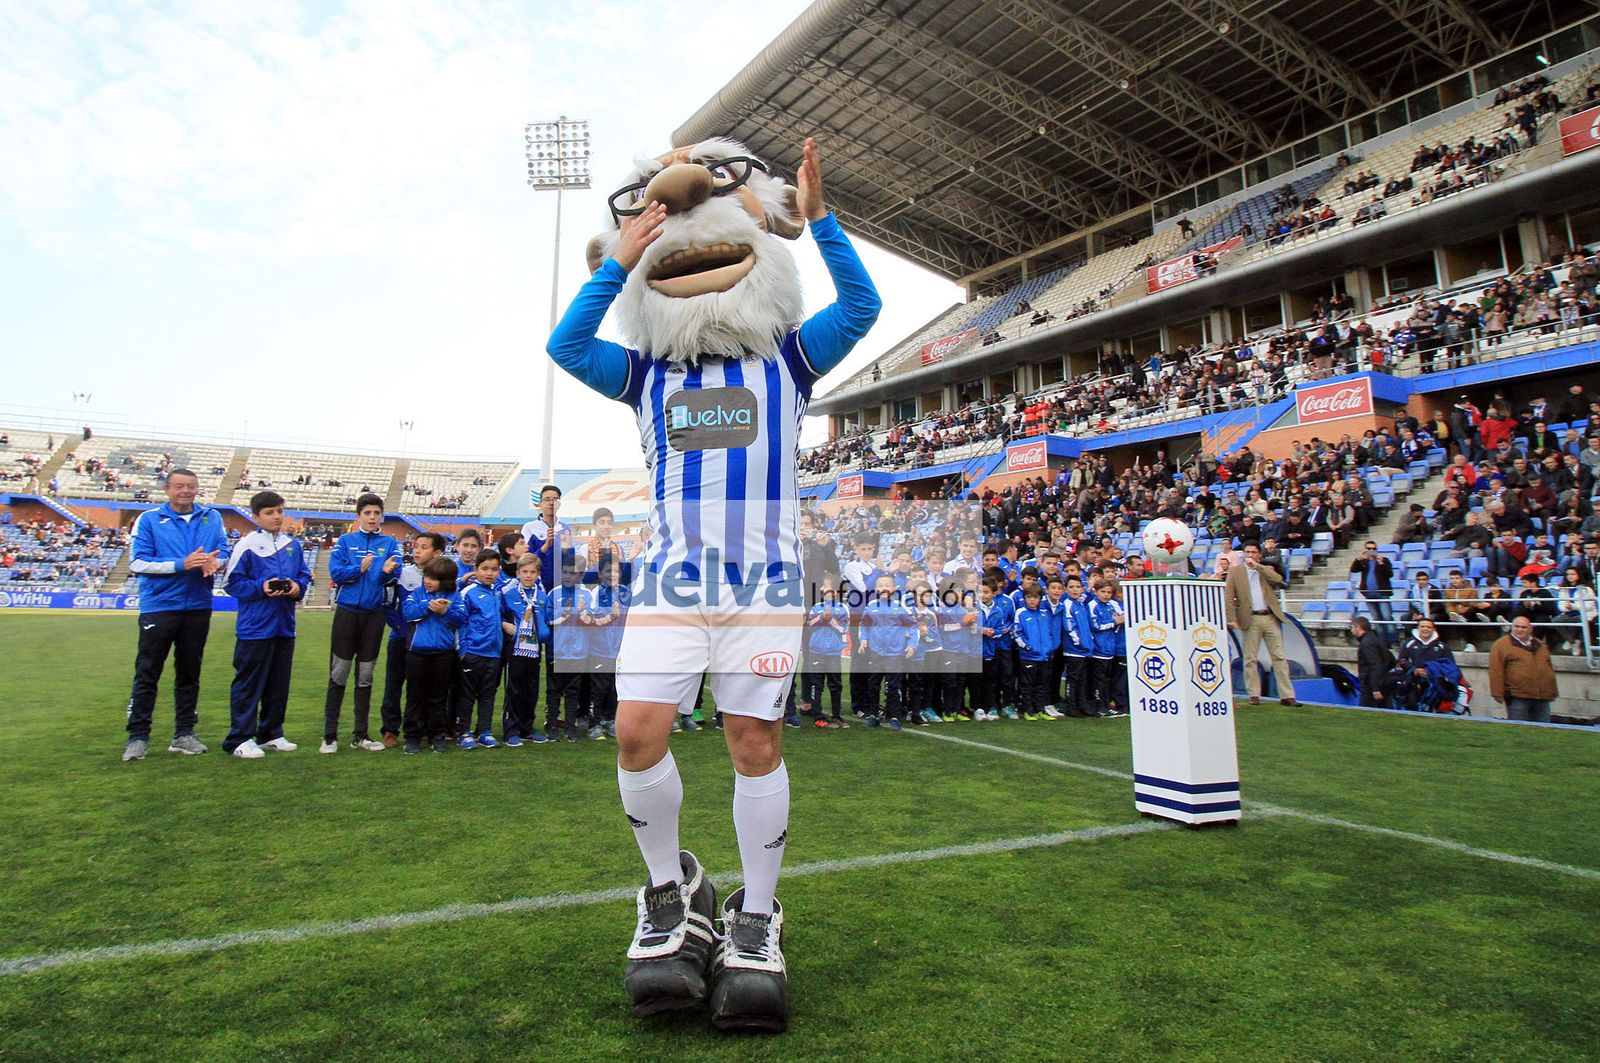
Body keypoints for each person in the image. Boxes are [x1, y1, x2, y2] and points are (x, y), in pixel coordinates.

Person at [550, 143, 874, 1035]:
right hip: (672, 580)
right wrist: (620, 259)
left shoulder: (792, 361)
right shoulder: (646, 373)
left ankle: (758, 916)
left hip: (764, 586)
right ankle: (668, 891)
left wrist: (823, 221)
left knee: (753, 741)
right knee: (636, 731)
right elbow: (564, 343)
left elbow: (864, 305)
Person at [122, 468, 231, 761]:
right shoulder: (149, 519)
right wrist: (180, 564)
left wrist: (214, 562)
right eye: (180, 486)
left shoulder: (212, 517)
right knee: (148, 672)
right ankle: (138, 736)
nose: (186, 491)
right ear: (168, 489)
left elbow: (225, 552)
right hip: (160, 605)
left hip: (197, 605)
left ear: (198, 489)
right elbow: (138, 562)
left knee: (189, 673)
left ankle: (184, 734)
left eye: (191, 486)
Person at [222, 490, 312, 758]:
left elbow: (304, 577)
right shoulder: (246, 545)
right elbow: (231, 583)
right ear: (256, 517)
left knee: (278, 683)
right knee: (249, 683)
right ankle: (239, 738)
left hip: (284, 625)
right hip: (254, 627)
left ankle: (271, 733)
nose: (276, 517)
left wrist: (297, 587)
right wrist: (262, 587)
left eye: (280, 511)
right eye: (270, 512)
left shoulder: (292, 545)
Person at [322, 493, 401, 754]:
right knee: (339, 674)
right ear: (359, 516)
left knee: (365, 676)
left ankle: (361, 734)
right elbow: (336, 574)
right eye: (367, 513)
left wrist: (384, 571)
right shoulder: (345, 541)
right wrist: (360, 569)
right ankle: (330, 736)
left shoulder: (389, 543)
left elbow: (393, 574)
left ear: (382, 516)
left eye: (376, 513)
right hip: (346, 614)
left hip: (374, 615)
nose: (372, 517)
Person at [379, 531, 447, 746]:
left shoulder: (443, 578)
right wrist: (398, 626)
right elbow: (388, 604)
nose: (417, 550)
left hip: (427, 641)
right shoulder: (402, 573)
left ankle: (424, 728)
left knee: (422, 687)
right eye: (416, 546)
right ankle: (390, 729)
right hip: (401, 638)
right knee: (394, 683)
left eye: (424, 547)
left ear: (437, 553)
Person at [401, 557, 467, 754]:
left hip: (443, 654)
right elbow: (408, 613)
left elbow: (461, 618)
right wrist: (429, 607)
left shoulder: (455, 596)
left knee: (438, 698)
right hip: (417, 653)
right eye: (426, 576)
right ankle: (412, 738)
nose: (427, 581)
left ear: (445, 580)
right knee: (414, 696)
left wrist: (445, 611)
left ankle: (436, 736)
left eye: (433, 578)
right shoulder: (417, 593)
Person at [1224, 543, 1298, 705]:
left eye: (1253, 552)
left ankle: (1287, 695)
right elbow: (1229, 595)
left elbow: (1278, 579)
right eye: (1247, 552)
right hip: (1250, 618)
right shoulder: (1235, 572)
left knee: (1279, 656)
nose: (1250, 555)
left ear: (1259, 555)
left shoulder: (1265, 569)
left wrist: (1258, 567)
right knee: (1250, 658)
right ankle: (1254, 695)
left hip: (1269, 616)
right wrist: (1231, 617)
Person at [455, 551, 506, 749]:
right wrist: (463, 651)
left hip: (493, 653)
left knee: (488, 694)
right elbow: (460, 622)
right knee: (468, 694)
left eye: (494, 569)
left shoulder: (497, 593)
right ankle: (464, 732)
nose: (489, 573)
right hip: (473, 652)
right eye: (484, 569)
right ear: (475, 570)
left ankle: (484, 730)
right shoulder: (468, 592)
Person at [500, 553, 551, 746]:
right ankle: (511, 729)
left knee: (531, 688)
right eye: (525, 572)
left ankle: (527, 728)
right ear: (518, 572)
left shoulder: (542, 595)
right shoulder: (509, 593)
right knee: (514, 688)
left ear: (538, 574)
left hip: (535, 647)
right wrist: (504, 624)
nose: (528, 575)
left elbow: (545, 618)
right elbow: (500, 615)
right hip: (516, 647)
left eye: (532, 572)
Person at [1488, 615, 1560, 722]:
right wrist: (1497, 693)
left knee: (1544, 730)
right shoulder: (1500, 645)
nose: (1520, 630)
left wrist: (1552, 692)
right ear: (1512, 627)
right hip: (1517, 696)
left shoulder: (1541, 645)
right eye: (1517, 626)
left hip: (1542, 697)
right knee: (1519, 729)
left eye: (1523, 627)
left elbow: (1548, 669)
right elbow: (1496, 670)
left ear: (1530, 629)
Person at [800, 577, 847, 727]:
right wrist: (822, 618)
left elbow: (845, 629)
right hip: (816, 650)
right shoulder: (817, 607)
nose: (821, 588)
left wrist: (832, 621)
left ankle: (837, 715)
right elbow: (810, 625)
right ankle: (817, 715)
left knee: (835, 684)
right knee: (816, 684)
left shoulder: (842, 608)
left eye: (825, 586)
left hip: (833, 651)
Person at [1391, 617, 1460, 712]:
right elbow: (1402, 660)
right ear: (1418, 628)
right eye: (1422, 626)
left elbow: (1450, 665)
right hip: (1413, 683)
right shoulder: (1409, 643)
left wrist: (1433, 671)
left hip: (1435, 684)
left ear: (1433, 629)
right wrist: (1414, 670)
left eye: (1428, 627)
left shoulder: (1442, 646)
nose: (1425, 629)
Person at [1348, 540, 1396, 644]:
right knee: (1376, 620)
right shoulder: (1363, 561)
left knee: (1387, 617)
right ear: (1365, 549)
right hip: (1369, 594)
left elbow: (1389, 574)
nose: (1371, 551)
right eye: (1369, 549)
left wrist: (1381, 563)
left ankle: (1393, 641)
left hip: (1382, 593)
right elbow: (1353, 570)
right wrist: (1358, 559)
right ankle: (1383, 642)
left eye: (1374, 549)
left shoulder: (1384, 560)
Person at [1351, 616, 1393, 708]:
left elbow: (1375, 665)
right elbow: (1391, 660)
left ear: (1358, 627)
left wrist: (1375, 688)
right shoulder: (1376, 639)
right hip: (1383, 682)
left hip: (1370, 686)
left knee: (1366, 713)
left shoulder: (1367, 643)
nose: (1351, 631)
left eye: (1352, 628)